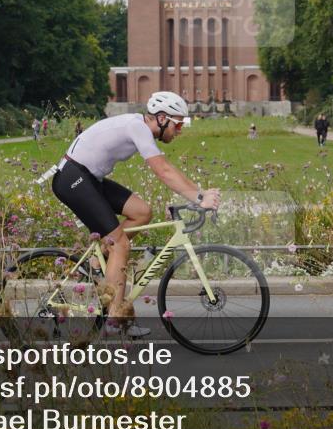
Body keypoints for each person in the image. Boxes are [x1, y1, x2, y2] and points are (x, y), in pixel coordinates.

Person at [49, 91, 220, 337]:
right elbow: (163, 170)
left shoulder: (138, 126)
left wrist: (199, 193)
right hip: (72, 178)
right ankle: (115, 318)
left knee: (142, 212)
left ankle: (99, 261)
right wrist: (199, 197)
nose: (180, 130)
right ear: (162, 118)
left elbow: (166, 168)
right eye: (178, 124)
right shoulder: (138, 127)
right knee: (121, 243)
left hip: (87, 177)